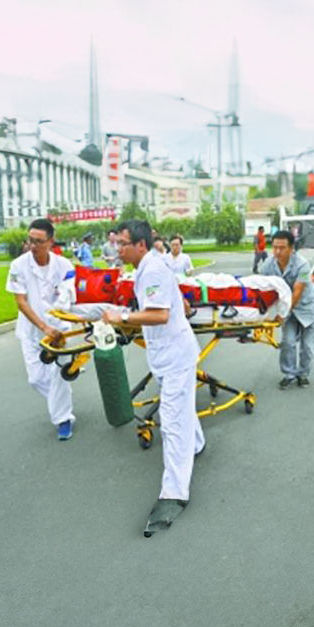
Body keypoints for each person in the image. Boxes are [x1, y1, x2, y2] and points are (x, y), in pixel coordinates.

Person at [102, 220, 204, 535]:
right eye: (117, 243)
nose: (118, 249)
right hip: (167, 355)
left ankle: (174, 493)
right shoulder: (148, 268)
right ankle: (197, 444)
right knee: (181, 409)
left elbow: (159, 314)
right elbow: (177, 302)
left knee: (172, 423)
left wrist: (122, 317)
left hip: (174, 358)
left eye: (123, 244)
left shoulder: (153, 270)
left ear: (141, 245)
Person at [6, 219, 77, 440]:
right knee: (35, 379)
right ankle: (60, 400)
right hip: (32, 331)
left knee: (59, 375)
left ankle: (63, 419)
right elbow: (21, 302)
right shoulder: (18, 265)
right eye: (30, 240)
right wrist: (44, 327)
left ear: (50, 241)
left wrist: (55, 325)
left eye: (38, 241)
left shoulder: (64, 266)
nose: (32, 245)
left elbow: (67, 297)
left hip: (60, 330)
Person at [261, 229, 314, 389]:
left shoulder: (303, 265)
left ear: (291, 249)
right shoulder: (267, 265)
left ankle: (303, 374)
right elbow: (263, 290)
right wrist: (261, 313)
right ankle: (289, 374)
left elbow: (297, 291)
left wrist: (283, 314)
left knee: (307, 346)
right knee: (288, 342)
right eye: (275, 247)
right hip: (288, 310)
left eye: (282, 248)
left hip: (308, 308)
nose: (277, 251)